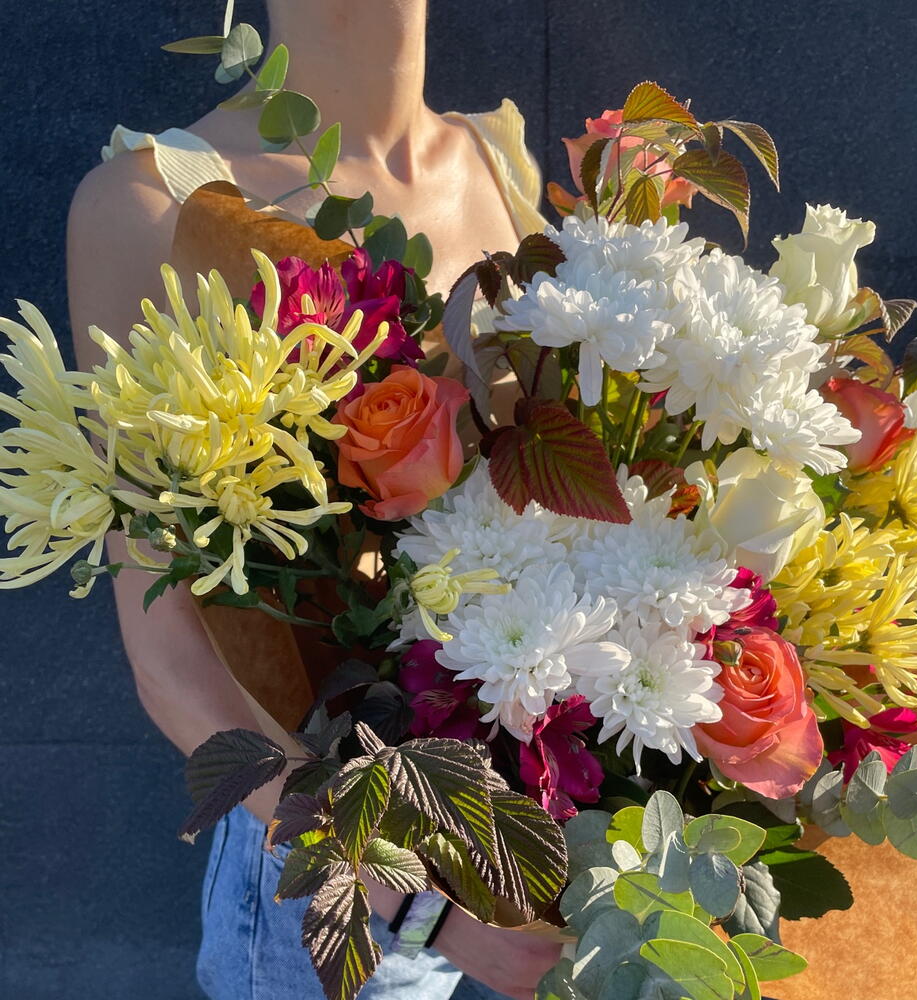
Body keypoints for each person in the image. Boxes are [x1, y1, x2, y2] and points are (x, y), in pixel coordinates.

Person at [66, 2, 563, 998]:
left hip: (520, 812)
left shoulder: (496, 163)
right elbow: (168, 657)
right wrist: (416, 900)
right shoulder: (152, 207)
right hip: (336, 878)